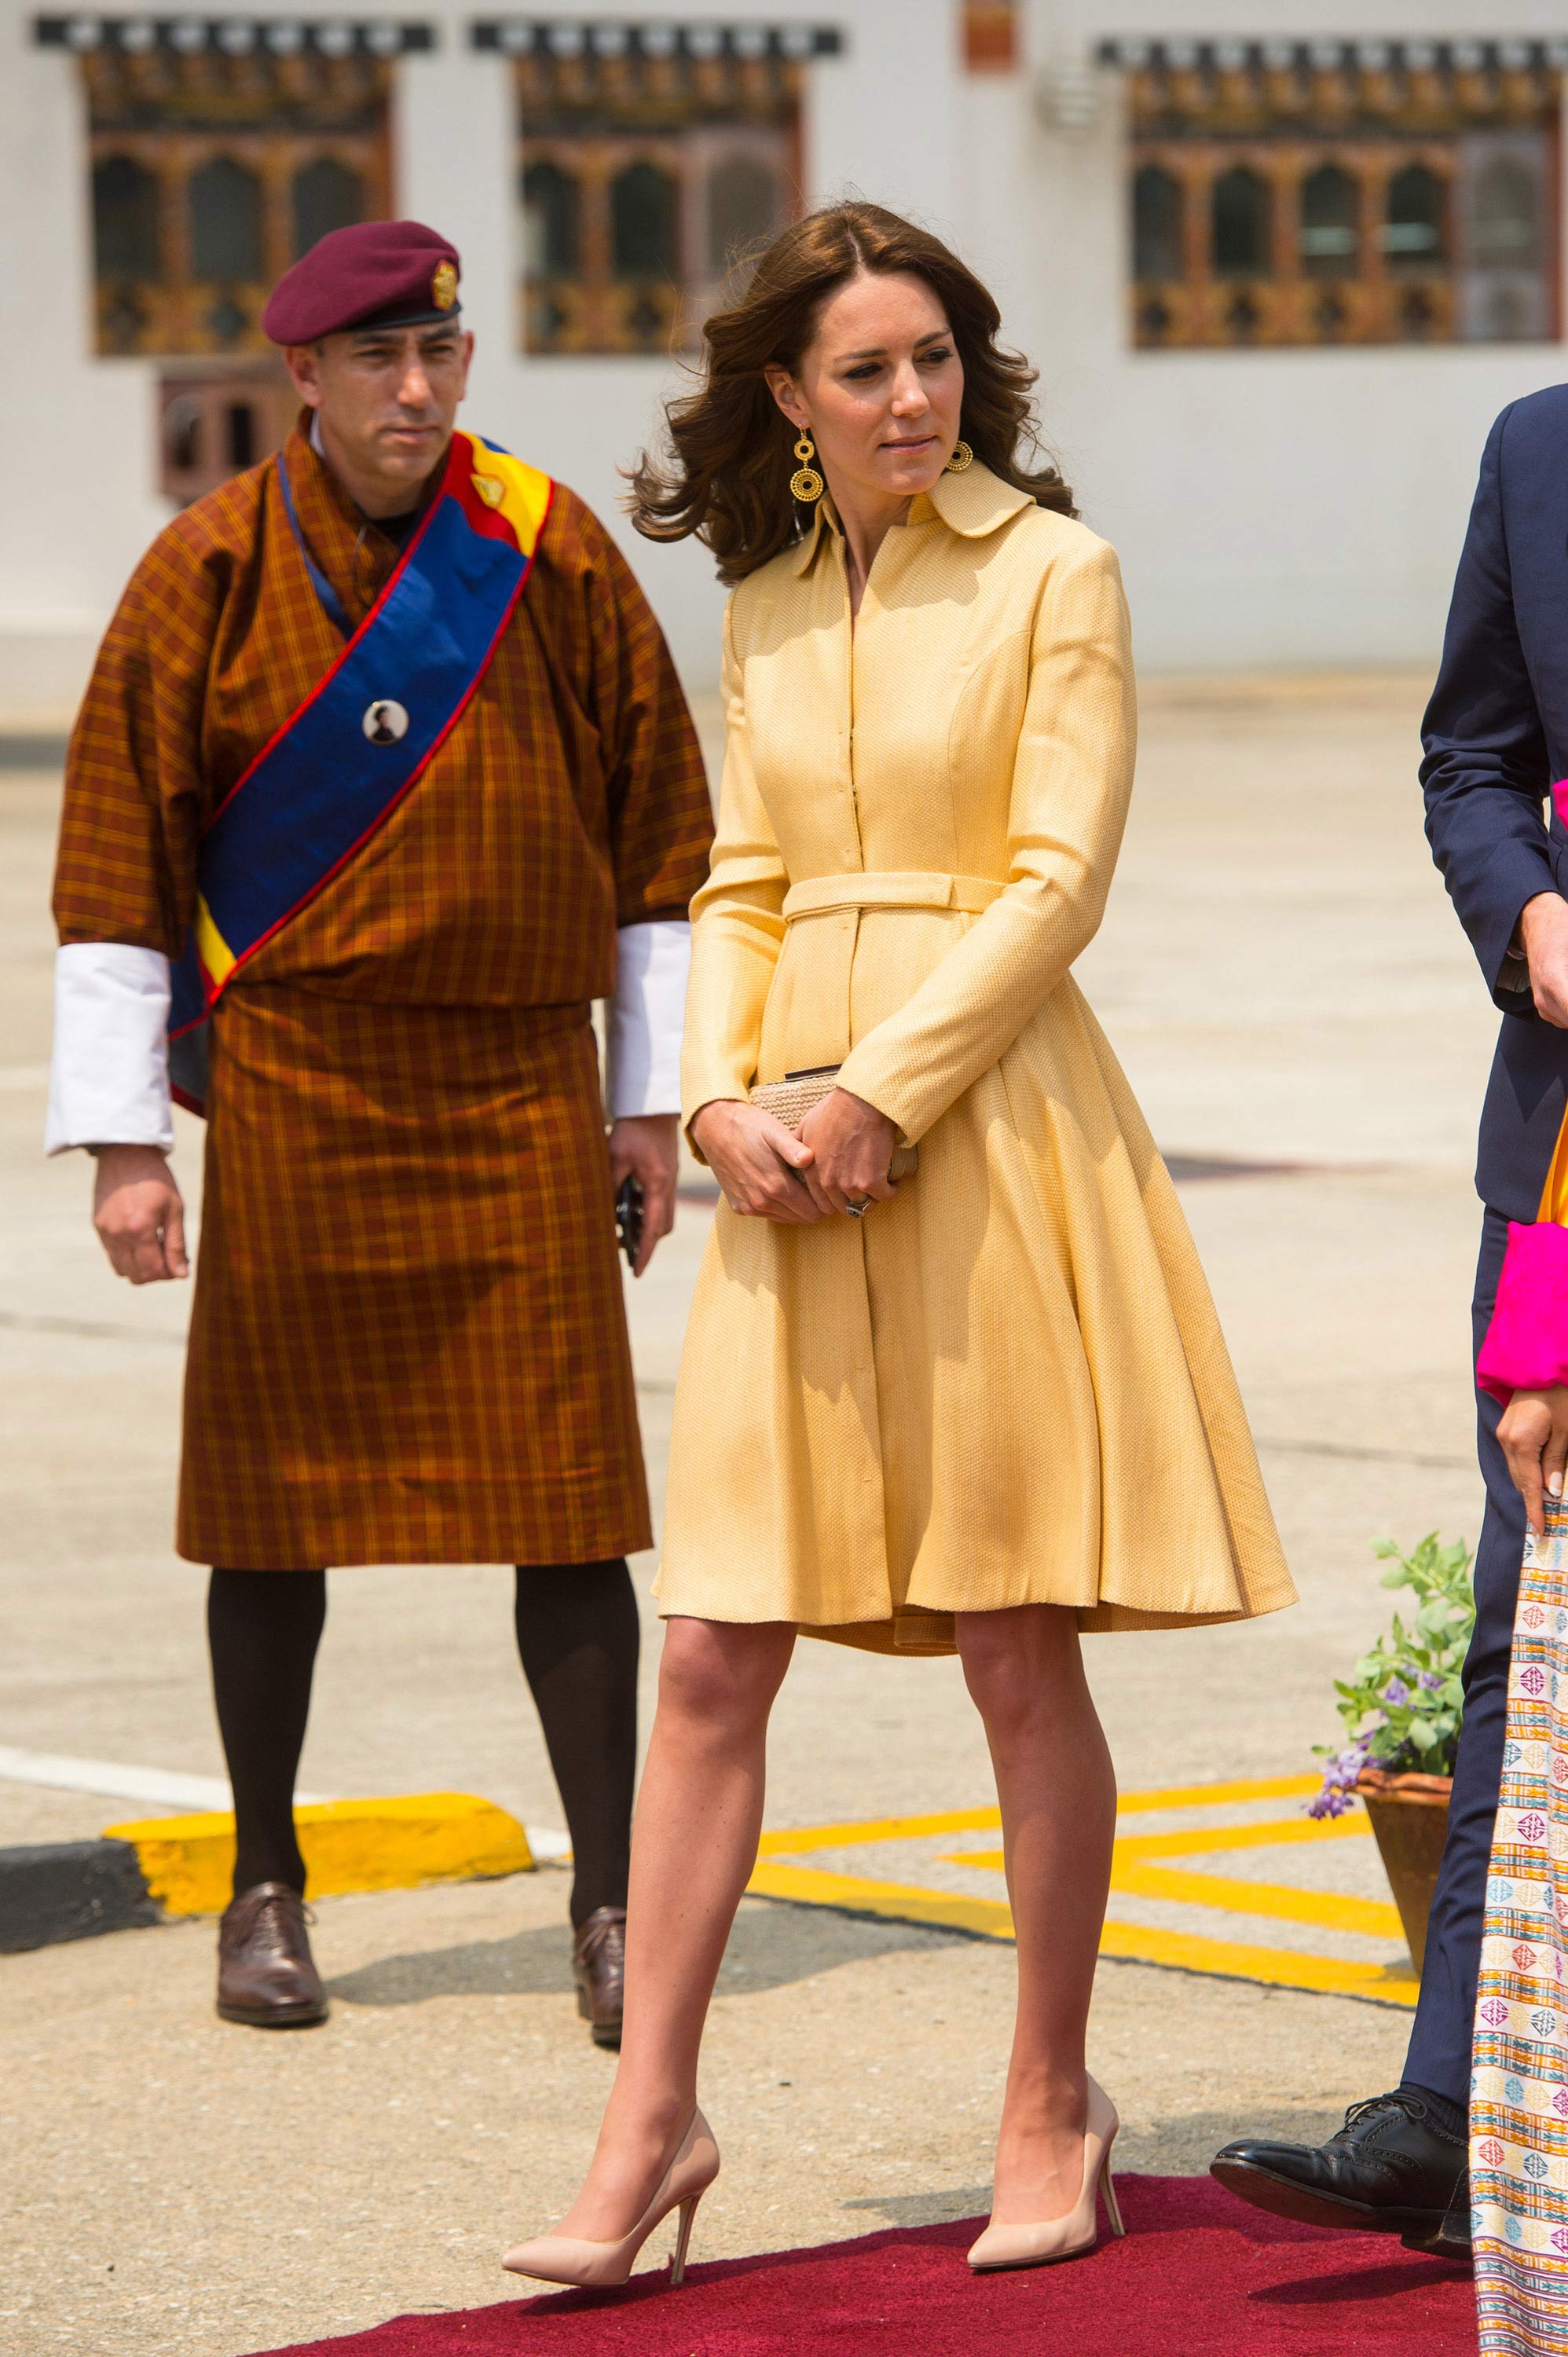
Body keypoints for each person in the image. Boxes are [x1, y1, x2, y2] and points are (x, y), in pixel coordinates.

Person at [500, 200, 1295, 2293]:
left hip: (987, 1125)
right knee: (708, 1647)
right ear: (788, 394)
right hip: (785, 1151)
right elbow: (739, 876)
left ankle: (1049, 2099)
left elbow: (1055, 881)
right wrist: (718, 1102)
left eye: (933, 358)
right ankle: (649, 2122)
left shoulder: (1054, 574)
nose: (911, 398)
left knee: (1010, 1637)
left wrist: (881, 1091)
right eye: (864, 370)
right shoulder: (762, 600)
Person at [46, 219, 713, 2044]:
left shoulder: (547, 548)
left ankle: (609, 1904)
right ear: (305, 378)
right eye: (376, 361)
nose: (415, 391)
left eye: (439, 355)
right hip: (298, 1090)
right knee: (269, 1515)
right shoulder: (204, 567)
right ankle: (263, 1887)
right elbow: (116, 862)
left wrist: (643, 1103)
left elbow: (659, 836)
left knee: (570, 1510)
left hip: (516, 1088)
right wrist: (127, 1144)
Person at [1212, 385, 1568, 2260]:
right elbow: (1469, 761)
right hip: (1562, 1159)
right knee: (1526, 1630)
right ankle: (1452, 2110)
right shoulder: (1537, 451)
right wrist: (1525, 918)